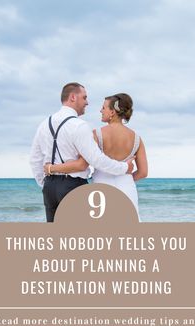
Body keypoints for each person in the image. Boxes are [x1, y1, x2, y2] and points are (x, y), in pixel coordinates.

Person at [30, 83, 135, 222]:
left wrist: (45, 184)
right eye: (84, 97)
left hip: (50, 187)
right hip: (72, 186)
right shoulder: (79, 126)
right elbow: (97, 159)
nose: (87, 102)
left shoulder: (44, 124)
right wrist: (124, 167)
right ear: (73, 97)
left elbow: (35, 160)